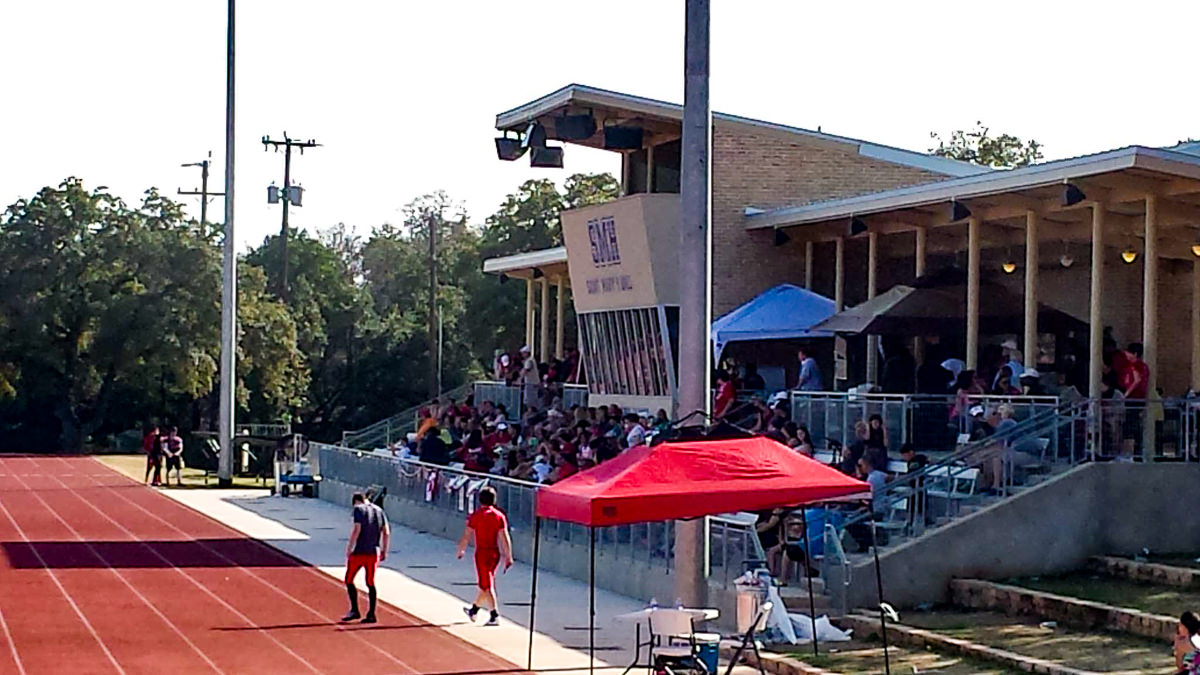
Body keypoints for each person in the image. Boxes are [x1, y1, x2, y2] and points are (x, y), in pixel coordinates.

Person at [457, 487, 514, 627]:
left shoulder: (476, 516)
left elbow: (467, 534)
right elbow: (504, 536)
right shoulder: (499, 516)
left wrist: (461, 549)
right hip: (494, 553)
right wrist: (508, 555)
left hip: (482, 552)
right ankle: (474, 609)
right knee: (485, 583)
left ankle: (494, 614)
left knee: (487, 585)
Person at [342, 492, 390, 624]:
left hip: (359, 551)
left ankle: (355, 610)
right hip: (373, 552)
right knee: (370, 582)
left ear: (356, 501)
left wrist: (350, 547)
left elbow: (357, 529)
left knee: (349, 579)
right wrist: (384, 550)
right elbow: (386, 532)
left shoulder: (358, 510)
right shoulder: (379, 510)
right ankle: (371, 613)